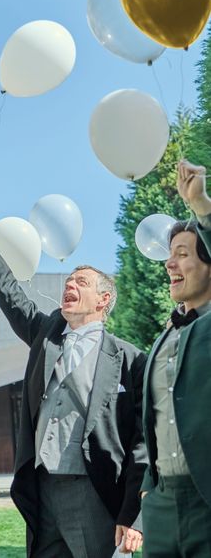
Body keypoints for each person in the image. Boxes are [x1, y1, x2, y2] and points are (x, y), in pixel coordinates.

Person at [0, 192, 146, 557]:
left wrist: (133, 514)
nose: (70, 285)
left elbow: (143, 442)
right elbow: (9, 292)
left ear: (104, 300)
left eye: (81, 283)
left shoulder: (130, 359)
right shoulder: (45, 334)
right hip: (42, 491)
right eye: (68, 281)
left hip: (94, 492)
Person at [140, 160, 211, 557]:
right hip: (162, 507)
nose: (170, 263)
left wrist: (201, 206)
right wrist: (149, 487)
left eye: (183, 254)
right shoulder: (164, 336)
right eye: (170, 255)